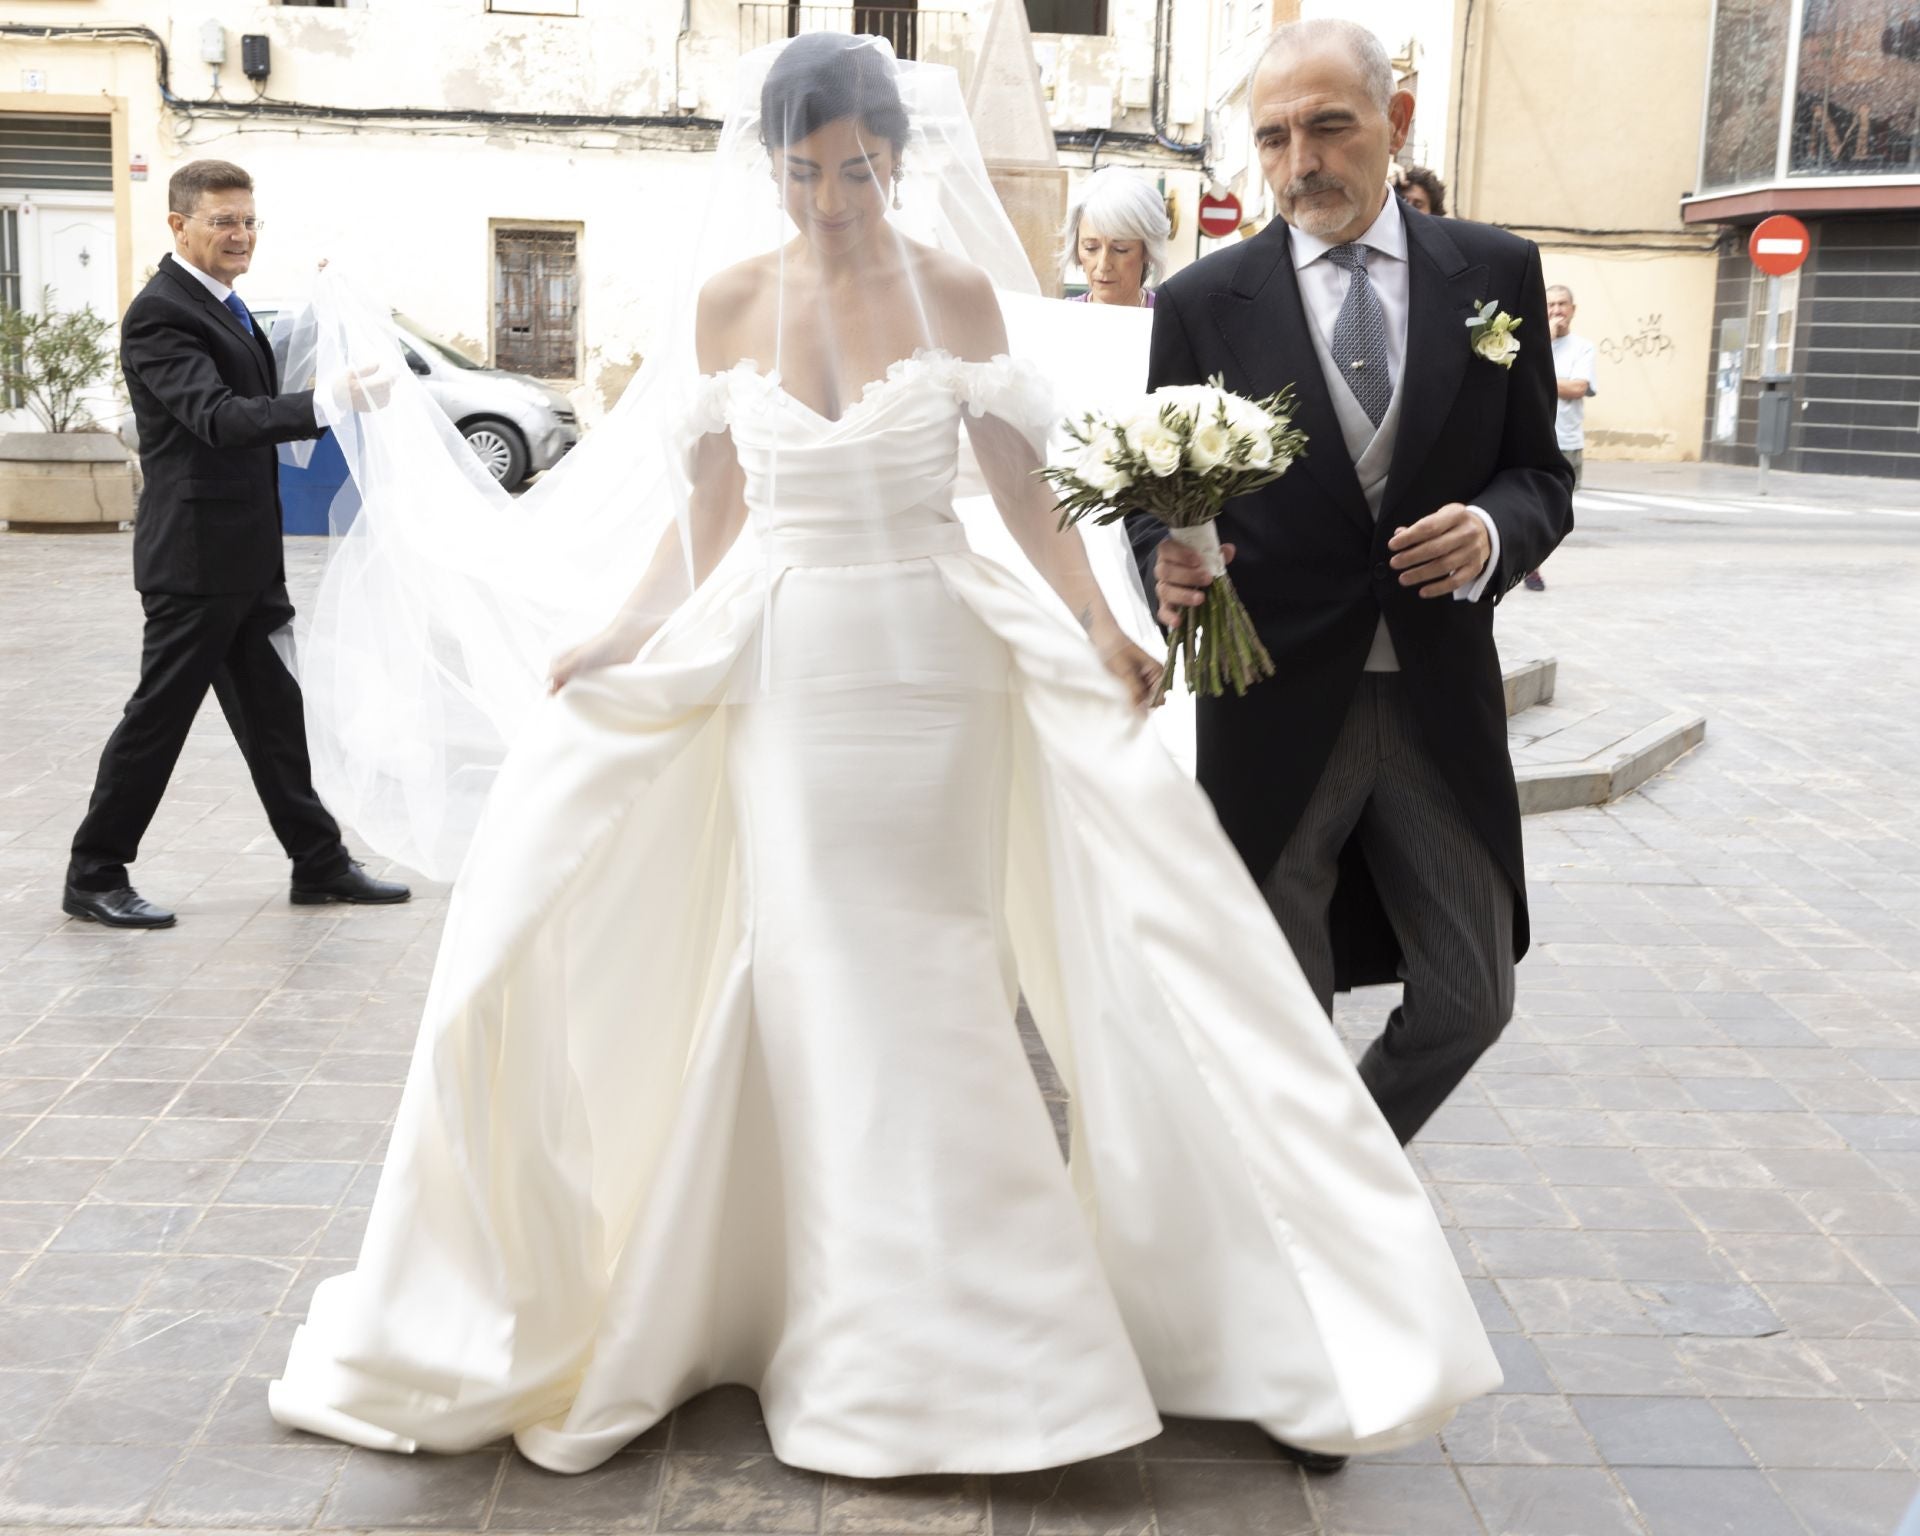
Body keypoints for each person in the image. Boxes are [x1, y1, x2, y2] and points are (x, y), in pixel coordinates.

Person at [267, 33, 1497, 1482]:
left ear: (896, 161)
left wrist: (1100, 628)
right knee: (806, 967)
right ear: (770, 169)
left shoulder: (955, 289)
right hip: (794, 676)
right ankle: (822, 1312)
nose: (831, 200)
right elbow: (709, 517)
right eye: (803, 173)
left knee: (936, 965)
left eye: (855, 170)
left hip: (935, 670)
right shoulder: (728, 302)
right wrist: (620, 633)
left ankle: (982, 1344)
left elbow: (1021, 492)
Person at [1142, 19, 1573, 1145]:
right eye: (1274, 137)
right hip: (1273, 691)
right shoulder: (1202, 303)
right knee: (1283, 1009)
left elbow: (1540, 471)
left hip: (1435, 692)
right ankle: (1317, 1235)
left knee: (1474, 995)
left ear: (1396, 121)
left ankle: (1348, 1177)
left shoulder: (1496, 272)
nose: (1301, 164)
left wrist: (1493, 527)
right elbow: (1157, 481)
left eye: (1328, 127)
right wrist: (1162, 562)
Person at [62, 159, 408, 929]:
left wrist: (329, 313)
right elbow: (218, 417)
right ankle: (93, 872)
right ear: (179, 225)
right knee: (158, 719)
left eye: (249, 221)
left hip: (245, 556)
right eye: (223, 221)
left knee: (274, 717)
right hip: (193, 561)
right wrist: (330, 402)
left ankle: (318, 864)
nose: (240, 235)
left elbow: (259, 392)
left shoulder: (226, 305)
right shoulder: (161, 313)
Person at [1527, 283, 1597, 591]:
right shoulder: (1532, 342)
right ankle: (1531, 567)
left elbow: (1579, 388)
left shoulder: (1583, 347)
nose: (1557, 310)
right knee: (1531, 505)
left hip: (1567, 442)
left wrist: (1542, 380)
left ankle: (1534, 558)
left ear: (1573, 309)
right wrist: (1547, 340)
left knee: (1557, 514)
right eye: (1551, 305)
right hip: (1533, 437)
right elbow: (1523, 379)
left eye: (1562, 305)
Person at [1063, 166, 1169, 308]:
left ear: (1147, 250)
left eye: (1120, 249)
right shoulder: (1060, 320)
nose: (1103, 265)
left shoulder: (1170, 322)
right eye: (1091, 248)